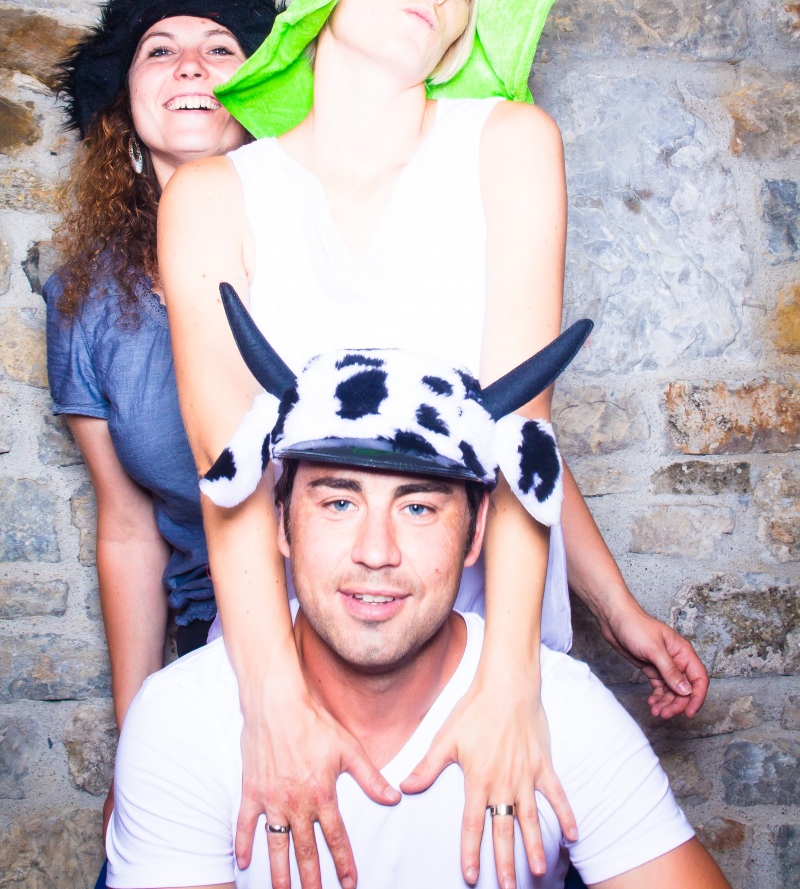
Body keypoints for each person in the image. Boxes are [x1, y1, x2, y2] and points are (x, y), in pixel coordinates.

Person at [159, 0, 709, 889]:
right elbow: (227, 477)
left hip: (484, 624)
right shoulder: (211, 197)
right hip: (293, 635)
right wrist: (271, 706)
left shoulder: (510, 144)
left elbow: (518, 434)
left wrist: (514, 679)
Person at [106, 309, 729, 889]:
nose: (376, 551)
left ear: (476, 534)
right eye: (339, 502)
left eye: (419, 508)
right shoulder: (184, 724)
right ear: (281, 524)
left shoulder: (559, 716)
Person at [44, 0, 282, 827]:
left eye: (220, 48)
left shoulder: (324, 239)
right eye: (160, 49)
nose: (189, 64)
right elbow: (128, 528)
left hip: (367, 622)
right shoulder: (84, 298)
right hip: (210, 653)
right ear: (123, 104)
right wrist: (138, 737)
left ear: (260, 90)